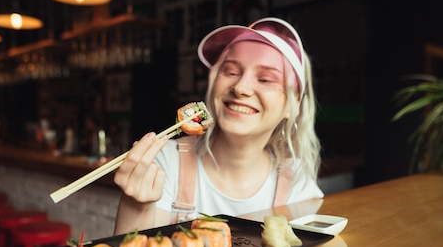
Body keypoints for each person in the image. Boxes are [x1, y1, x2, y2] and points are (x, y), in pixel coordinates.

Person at [113, 17, 323, 234]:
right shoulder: (165, 162)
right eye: (231, 72)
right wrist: (135, 205)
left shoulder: (296, 181)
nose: (241, 87)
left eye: (265, 79)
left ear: (293, 103)